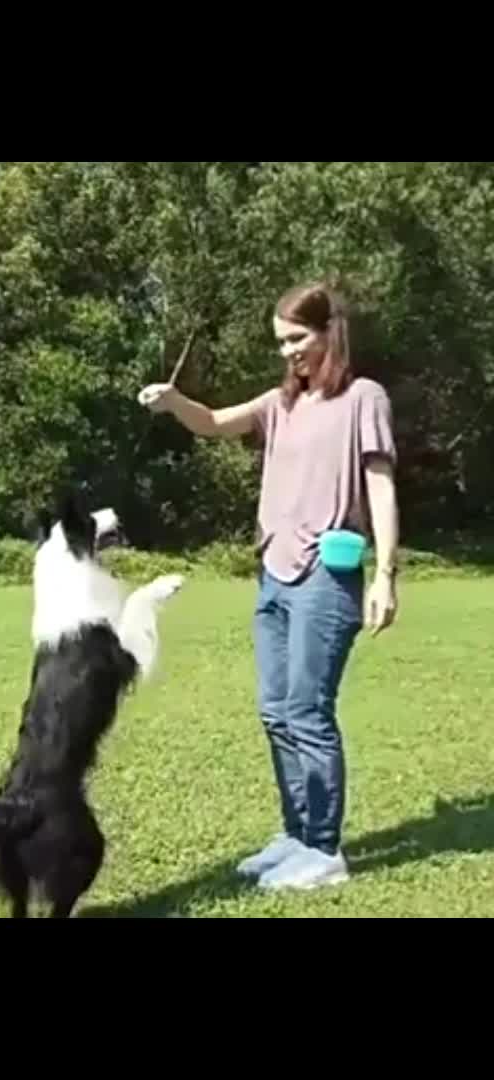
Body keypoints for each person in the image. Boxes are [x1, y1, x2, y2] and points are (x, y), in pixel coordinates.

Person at [137, 281, 399, 890]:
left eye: (297, 338)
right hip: (273, 575)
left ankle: (325, 850)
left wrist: (386, 574)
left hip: (326, 579)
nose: (288, 352)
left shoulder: (364, 398)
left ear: (330, 331)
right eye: (280, 342)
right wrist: (174, 400)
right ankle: (295, 833)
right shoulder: (279, 404)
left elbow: (380, 484)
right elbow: (212, 423)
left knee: (308, 712)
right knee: (277, 712)